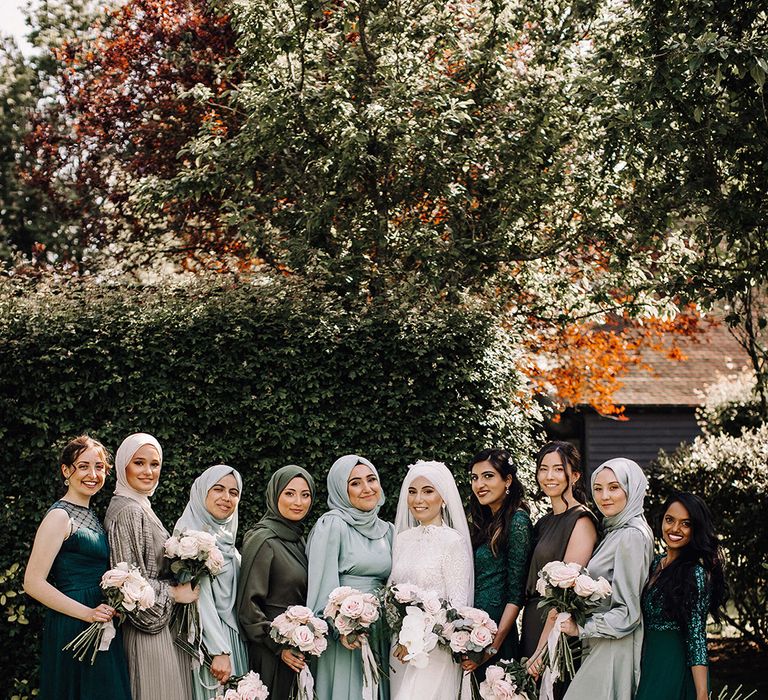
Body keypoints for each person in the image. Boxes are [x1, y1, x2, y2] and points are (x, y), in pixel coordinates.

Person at [24, 435, 131, 700]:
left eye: (99, 467)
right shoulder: (60, 516)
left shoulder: (93, 515)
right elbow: (33, 582)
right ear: (66, 470)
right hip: (75, 621)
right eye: (83, 466)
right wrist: (86, 613)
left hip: (99, 617)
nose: (92, 474)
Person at [104, 432, 199, 700]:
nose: (148, 471)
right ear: (123, 465)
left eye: (154, 464)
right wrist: (173, 593)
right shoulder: (128, 511)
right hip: (148, 632)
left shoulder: (139, 505)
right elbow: (129, 586)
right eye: (139, 463)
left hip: (163, 629)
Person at [560, 457, 654, 700]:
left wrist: (580, 627)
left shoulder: (632, 535)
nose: (604, 496)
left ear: (631, 489)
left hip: (614, 646)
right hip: (602, 641)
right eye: (598, 489)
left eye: (614, 487)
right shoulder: (617, 530)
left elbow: (627, 612)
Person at [306, 454, 394, 700]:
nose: (366, 489)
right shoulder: (333, 524)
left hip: (380, 632)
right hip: (344, 636)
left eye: (371, 480)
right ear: (340, 490)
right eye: (355, 483)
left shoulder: (389, 531)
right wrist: (340, 627)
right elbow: (322, 585)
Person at [388, 460, 474, 700]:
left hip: (435, 649)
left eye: (428, 491)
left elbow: (456, 606)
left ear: (443, 497)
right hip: (399, 649)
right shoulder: (402, 540)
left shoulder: (453, 542)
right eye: (413, 492)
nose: (418, 500)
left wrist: (417, 638)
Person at [634, 492, 726, 700]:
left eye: (686, 523)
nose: (675, 529)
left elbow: (696, 636)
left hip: (672, 665)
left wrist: (702, 694)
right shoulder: (654, 563)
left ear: (696, 529)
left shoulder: (695, 573)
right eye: (670, 520)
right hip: (646, 659)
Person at [522, 441, 598, 688]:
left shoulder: (581, 520)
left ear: (574, 475)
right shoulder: (543, 523)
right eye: (543, 469)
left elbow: (564, 597)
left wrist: (542, 650)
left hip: (556, 631)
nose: (549, 476)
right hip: (533, 622)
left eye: (557, 469)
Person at [237, 465, 316, 698]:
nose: (298, 502)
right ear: (275, 495)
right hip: (270, 651)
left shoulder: (299, 539)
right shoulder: (262, 538)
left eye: (305, 495)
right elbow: (248, 606)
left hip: (297, 648)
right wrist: (278, 646)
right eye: (289, 493)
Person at [174, 464, 248, 699]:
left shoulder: (227, 540)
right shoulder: (190, 538)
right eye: (218, 489)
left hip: (233, 637)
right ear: (202, 492)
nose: (226, 498)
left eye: (233, 492)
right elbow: (199, 597)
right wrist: (218, 650)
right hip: (210, 644)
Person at [463, 448, 533, 677]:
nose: (479, 484)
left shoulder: (518, 521)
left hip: (496, 637)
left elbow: (516, 595)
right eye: (475, 477)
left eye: (488, 476)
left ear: (508, 480)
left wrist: (492, 646)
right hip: (471, 634)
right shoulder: (483, 521)